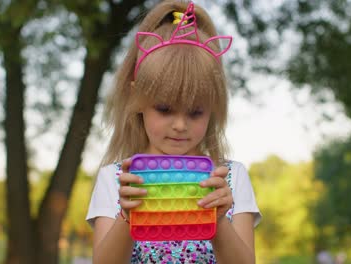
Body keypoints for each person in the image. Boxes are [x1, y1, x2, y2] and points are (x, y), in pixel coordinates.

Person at [86, 1, 261, 263]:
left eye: (195, 112)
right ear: (137, 98)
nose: (180, 125)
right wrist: (128, 218)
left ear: (212, 107)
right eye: (165, 109)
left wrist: (219, 221)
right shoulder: (117, 180)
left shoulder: (230, 179)